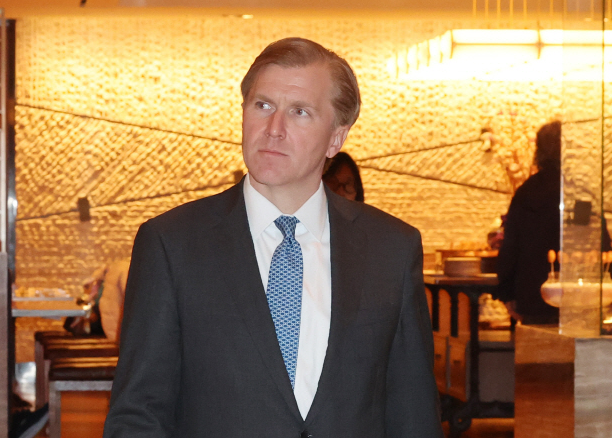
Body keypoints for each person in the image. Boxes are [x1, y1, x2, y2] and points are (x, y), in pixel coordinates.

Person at [103, 37, 442, 438]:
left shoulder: (391, 249)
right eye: (262, 106)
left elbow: (413, 412)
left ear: (336, 137)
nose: (273, 129)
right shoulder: (171, 244)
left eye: (299, 112)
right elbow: (138, 413)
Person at [495, 121, 562, 324]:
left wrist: (507, 292)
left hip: (533, 292)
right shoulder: (579, 190)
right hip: (578, 294)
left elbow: (511, 246)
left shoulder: (527, 191)